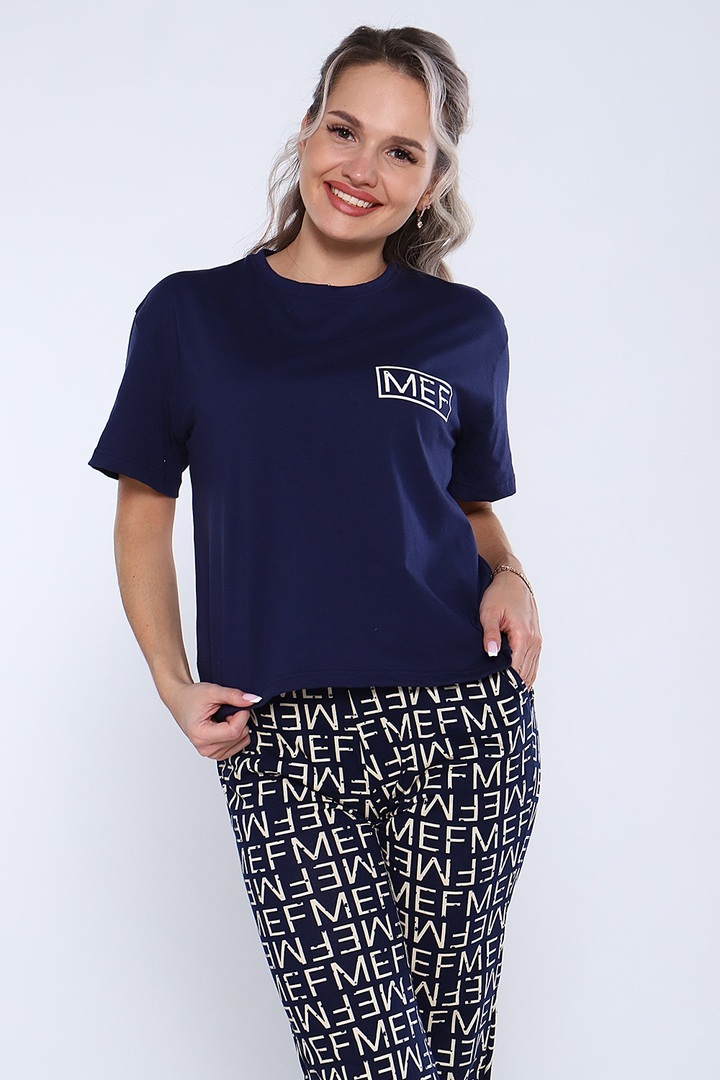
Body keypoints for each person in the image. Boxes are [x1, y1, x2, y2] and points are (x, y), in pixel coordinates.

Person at [89, 24, 542, 1080]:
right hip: (283, 742)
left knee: (448, 1058)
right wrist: (171, 680)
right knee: (367, 1061)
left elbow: (468, 508)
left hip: (462, 729)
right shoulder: (191, 314)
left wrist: (514, 576)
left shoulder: (463, 328)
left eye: (401, 150)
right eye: (345, 130)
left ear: (431, 184)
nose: (361, 167)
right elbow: (145, 507)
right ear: (305, 131)